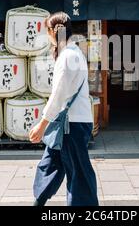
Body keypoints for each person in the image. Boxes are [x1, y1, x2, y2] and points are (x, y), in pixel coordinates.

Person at [29, 12, 98, 206]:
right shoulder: (73, 52)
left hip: (71, 125)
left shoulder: (68, 56)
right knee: (50, 164)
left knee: (77, 173)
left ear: (52, 31)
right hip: (69, 123)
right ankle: (38, 201)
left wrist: (42, 125)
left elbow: (58, 96)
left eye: (47, 31)